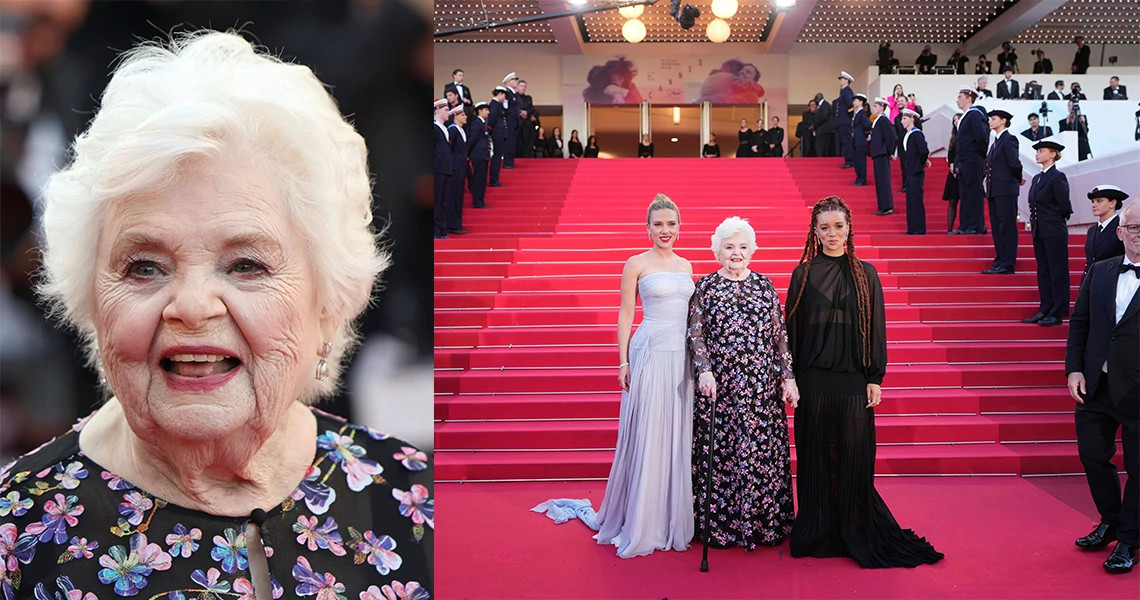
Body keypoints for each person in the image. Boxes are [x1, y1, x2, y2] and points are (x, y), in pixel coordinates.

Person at [0, 31, 432, 596]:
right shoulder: (15, 541)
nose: (193, 306)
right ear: (91, 302)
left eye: (246, 264)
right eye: (145, 267)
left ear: (328, 297)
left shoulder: (421, 507)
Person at [533, 195, 695, 558]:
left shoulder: (687, 266)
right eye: (658, 224)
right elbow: (625, 314)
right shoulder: (635, 263)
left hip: (680, 360)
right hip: (649, 354)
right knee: (650, 433)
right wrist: (622, 362)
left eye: (671, 224)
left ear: (679, 227)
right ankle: (641, 520)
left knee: (674, 435)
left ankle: (669, 518)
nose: (665, 230)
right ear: (648, 228)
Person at [786, 196, 943, 568]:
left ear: (849, 228)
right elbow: (791, 332)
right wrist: (789, 377)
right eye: (824, 227)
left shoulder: (866, 274)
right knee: (815, 458)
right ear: (814, 231)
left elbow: (877, 330)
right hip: (813, 382)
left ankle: (855, 528)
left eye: (838, 226)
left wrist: (876, 377)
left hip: (854, 381)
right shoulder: (802, 274)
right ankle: (818, 529)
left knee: (855, 458)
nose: (831, 234)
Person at [689, 217, 798, 550]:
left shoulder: (764, 285)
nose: (736, 253)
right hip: (720, 388)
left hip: (760, 387)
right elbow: (696, 334)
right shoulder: (705, 286)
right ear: (717, 250)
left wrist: (788, 377)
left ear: (752, 250)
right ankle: (722, 526)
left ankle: (764, 524)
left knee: (759, 452)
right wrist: (704, 370)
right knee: (724, 455)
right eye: (729, 246)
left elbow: (779, 335)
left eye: (742, 246)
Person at [1064, 201, 1140, 574]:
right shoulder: (1099, 270)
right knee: (1092, 454)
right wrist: (1074, 369)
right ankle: (1111, 519)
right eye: (1134, 227)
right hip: (1096, 384)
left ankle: (1130, 538)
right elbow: (1080, 323)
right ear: (1120, 231)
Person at [1022, 140, 1072, 327]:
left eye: (1041, 151)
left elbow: (1064, 205)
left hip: (1053, 229)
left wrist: (1052, 221)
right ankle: (1046, 308)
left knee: (1057, 270)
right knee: (1043, 270)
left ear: (1053, 154)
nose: (1037, 154)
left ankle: (1057, 311)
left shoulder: (1057, 176)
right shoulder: (1037, 178)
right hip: (1039, 229)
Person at [983, 109, 1024, 275]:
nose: (990, 122)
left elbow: (1015, 164)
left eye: (993, 119)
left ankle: (1007, 262)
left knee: (1006, 226)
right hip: (994, 190)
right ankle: (1000, 259)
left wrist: (1017, 178)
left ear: (1003, 121)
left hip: (1005, 190)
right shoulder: (995, 142)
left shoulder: (1009, 139)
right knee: (997, 226)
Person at [954, 85, 989, 235]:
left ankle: (976, 225)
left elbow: (982, 138)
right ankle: (965, 224)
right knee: (965, 194)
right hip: (965, 161)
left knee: (974, 193)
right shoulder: (965, 116)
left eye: (960, 97)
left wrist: (979, 156)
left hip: (973, 160)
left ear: (969, 98)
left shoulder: (975, 115)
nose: (957, 100)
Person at [1082, 185, 1128, 280]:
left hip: (1112, 281)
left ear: (1112, 203)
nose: (1094, 205)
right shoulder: (1092, 230)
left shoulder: (1122, 227)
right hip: (1090, 281)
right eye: (1093, 202)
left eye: (1099, 201)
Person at [900, 109, 930, 235]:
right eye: (902, 119)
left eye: (905, 118)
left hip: (916, 172)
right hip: (910, 172)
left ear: (912, 119)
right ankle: (912, 228)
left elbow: (924, 150)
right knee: (911, 201)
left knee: (916, 200)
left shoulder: (917, 134)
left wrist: (922, 163)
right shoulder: (907, 134)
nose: (902, 121)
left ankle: (919, 228)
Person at [869, 97, 895, 215]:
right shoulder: (877, 120)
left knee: (883, 180)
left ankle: (887, 206)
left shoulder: (883, 120)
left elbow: (890, 137)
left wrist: (890, 152)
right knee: (879, 180)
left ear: (881, 107)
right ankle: (882, 206)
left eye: (876, 105)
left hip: (882, 153)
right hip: (877, 153)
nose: (873, 107)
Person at [446, 106, 469, 235]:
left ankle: (457, 223)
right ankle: (452, 224)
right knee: (453, 196)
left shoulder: (461, 130)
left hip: (460, 168)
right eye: (462, 115)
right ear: (455, 116)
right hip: (455, 168)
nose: (465, 117)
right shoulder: (453, 130)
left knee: (459, 196)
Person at [434, 98, 452, 239]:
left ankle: (442, 229)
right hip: (437, 169)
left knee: (443, 201)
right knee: (437, 200)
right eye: (445, 110)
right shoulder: (435, 128)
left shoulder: (444, 128)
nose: (448, 113)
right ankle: (436, 230)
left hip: (445, 169)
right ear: (437, 110)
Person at [468, 102, 491, 208]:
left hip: (483, 154)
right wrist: (467, 153)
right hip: (478, 155)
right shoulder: (477, 123)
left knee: (482, 178)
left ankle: (480, 200)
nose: (488, 112)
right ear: (480, 111)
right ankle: (478, 200)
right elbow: (473, 139)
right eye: (486, 110)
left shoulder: (482, 123)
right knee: (479, 178)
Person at [944, 112, 963, 233]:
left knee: (965, 201)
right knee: (952, 201)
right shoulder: (953, 137)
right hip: (953, 172)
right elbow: (950, 153)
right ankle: (949, 228)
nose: (956, 122)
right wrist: (951, 165)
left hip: (963, 170)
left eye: (958, 120)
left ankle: (964, 226)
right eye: (954, 121)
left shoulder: (965, 136)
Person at [487, 87, 509, 187]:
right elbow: (491, 120)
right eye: (504, 95)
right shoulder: (494, 105)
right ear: (499, 94)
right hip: (497, 134)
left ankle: (495, 179)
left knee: (498, 157)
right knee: (497, 157)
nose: (504, 98)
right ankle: (493, 179)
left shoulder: (498, 105)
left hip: (499, 133)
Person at [835, 72, 855, 167]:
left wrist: (848, 115)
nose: (840, 81)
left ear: (846, 80)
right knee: (845, 141)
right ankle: (848, 160)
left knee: (847, 141)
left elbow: (851, 105)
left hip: (845, 120)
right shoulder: (843, 91)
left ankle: (850, 161)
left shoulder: (847, 91)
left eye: (842, 79)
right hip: (843, 120)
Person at [850, 94, 870, 186]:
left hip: (860, 140)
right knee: (857, 161)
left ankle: (861, 179)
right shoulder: (857, 113)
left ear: (861, 102)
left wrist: (863, 135)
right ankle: (859, 178)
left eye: (856, 101)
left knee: (860, 161)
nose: (854, 102)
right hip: (856, 140)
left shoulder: (862, 113)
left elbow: (867, 125)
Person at [502, 72, 521, 168]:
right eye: (514, 80)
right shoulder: (507, 94)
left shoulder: (514, 95)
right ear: (508, 82)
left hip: (514, 122)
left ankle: (511, 161)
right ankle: (508, 162)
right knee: (509, 142)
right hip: (509, 122)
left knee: (512, 142)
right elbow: (505, 109)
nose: (516, 82)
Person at [516, 80, 539, 158]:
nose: (523, 88)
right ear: (517, 87)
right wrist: (520, 113)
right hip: (518, 125)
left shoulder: (528, 98)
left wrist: (526, 112)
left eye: (525, 86)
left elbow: (532, 109)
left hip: (527, 126)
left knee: (528, 142)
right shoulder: (513, 97)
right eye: (521, 86)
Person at [814, 93, 834, 157]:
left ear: (818, 98)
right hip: (824, 130)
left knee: (819, 146)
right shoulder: (823, 105)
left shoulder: (824, 105)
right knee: (823, 146)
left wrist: (815, 125)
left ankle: (820, 158)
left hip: (823, 129)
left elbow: (824, 117)